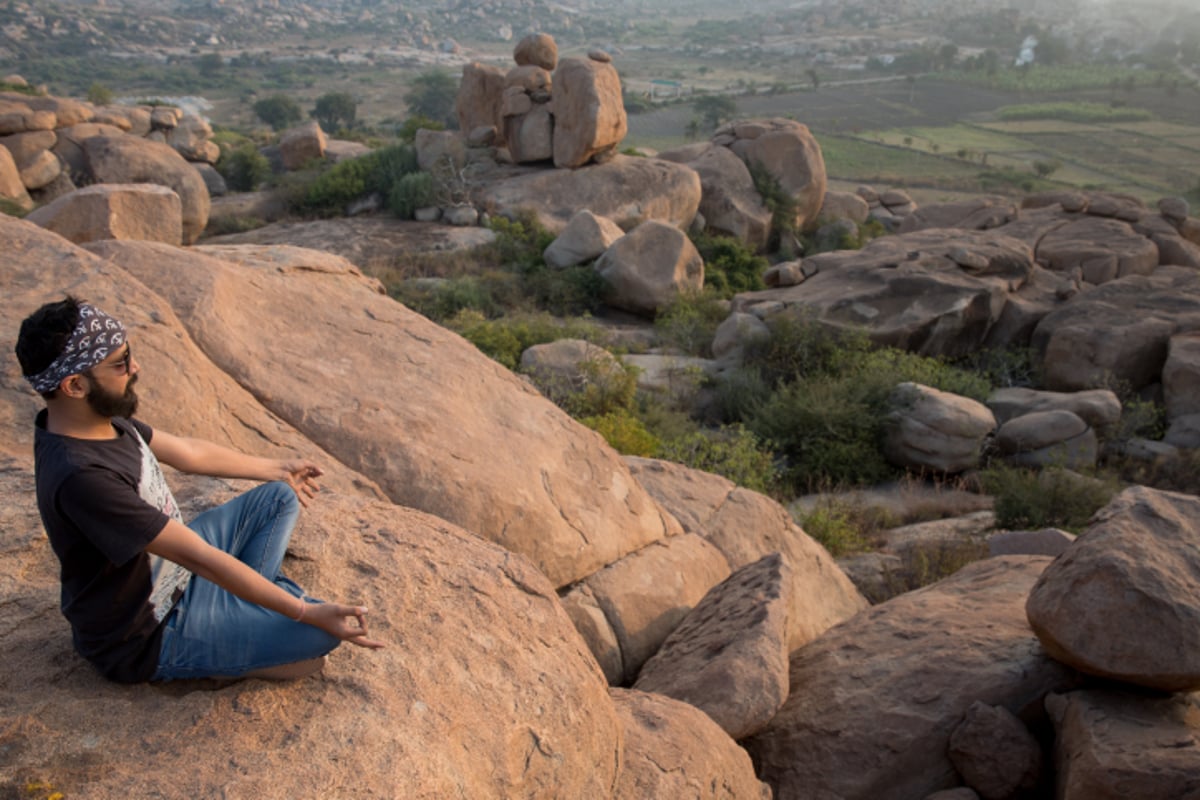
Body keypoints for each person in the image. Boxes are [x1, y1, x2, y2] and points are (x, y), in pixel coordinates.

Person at [15, 296, 384, 683]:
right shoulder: (82, 477)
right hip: (149, 629)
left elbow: (187, 452)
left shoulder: (102, 422)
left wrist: (277, 468)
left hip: (177, 574)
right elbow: (202, 558)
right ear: (74, 385)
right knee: (316, 634)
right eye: (120, 363)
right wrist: (304, 611)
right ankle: (239, 626)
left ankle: (243, 610)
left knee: (278, 496)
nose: (135, 367)